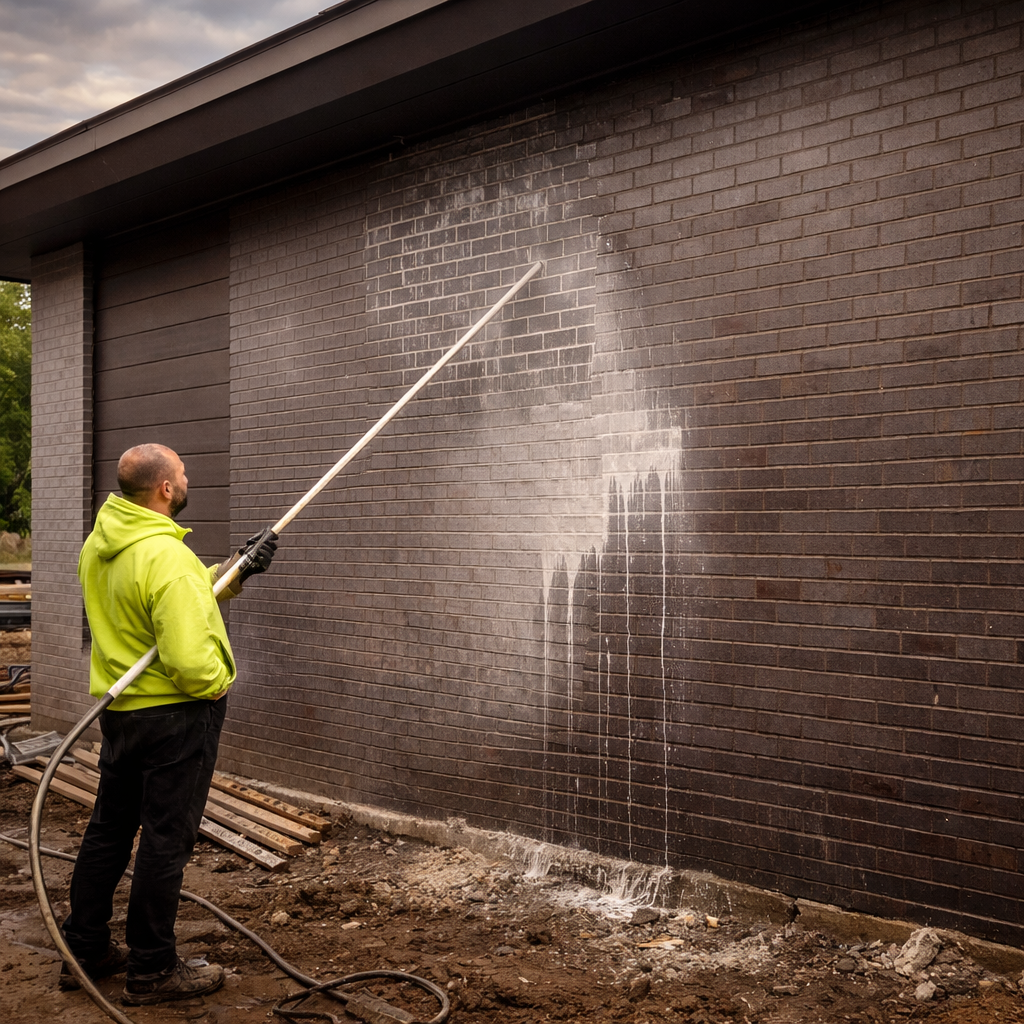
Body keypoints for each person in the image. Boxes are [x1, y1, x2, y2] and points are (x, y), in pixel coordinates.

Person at [60, 443, 277, 1006]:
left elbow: (168, 602)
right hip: (176, 719)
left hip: (124, 713)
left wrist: (234, 572)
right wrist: (216, 684)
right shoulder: (167, 558)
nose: (187, 478)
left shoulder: (102, 546)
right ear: (164, 490)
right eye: (182, 473)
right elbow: (183, 654)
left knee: (108, 831)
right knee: (164, 841)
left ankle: (84, 950)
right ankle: (153, 969)